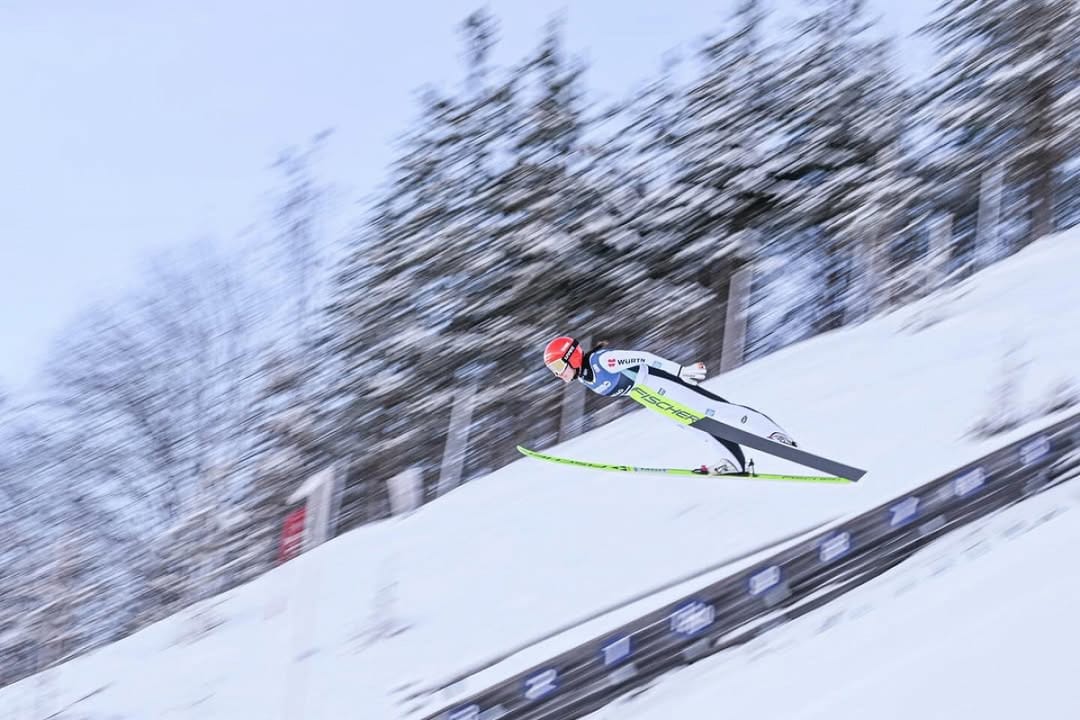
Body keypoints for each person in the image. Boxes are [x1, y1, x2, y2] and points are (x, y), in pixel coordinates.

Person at [542, 335, 795, 475]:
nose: (557, 374)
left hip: (660, 382)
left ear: (571, 356)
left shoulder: (602, 360)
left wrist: (681, 371)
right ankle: (733, 463)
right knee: (696, 426)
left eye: (557, 366)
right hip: (649, 396)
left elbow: (645, 357)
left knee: (716, 410)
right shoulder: (586, 377)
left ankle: (774, 435)